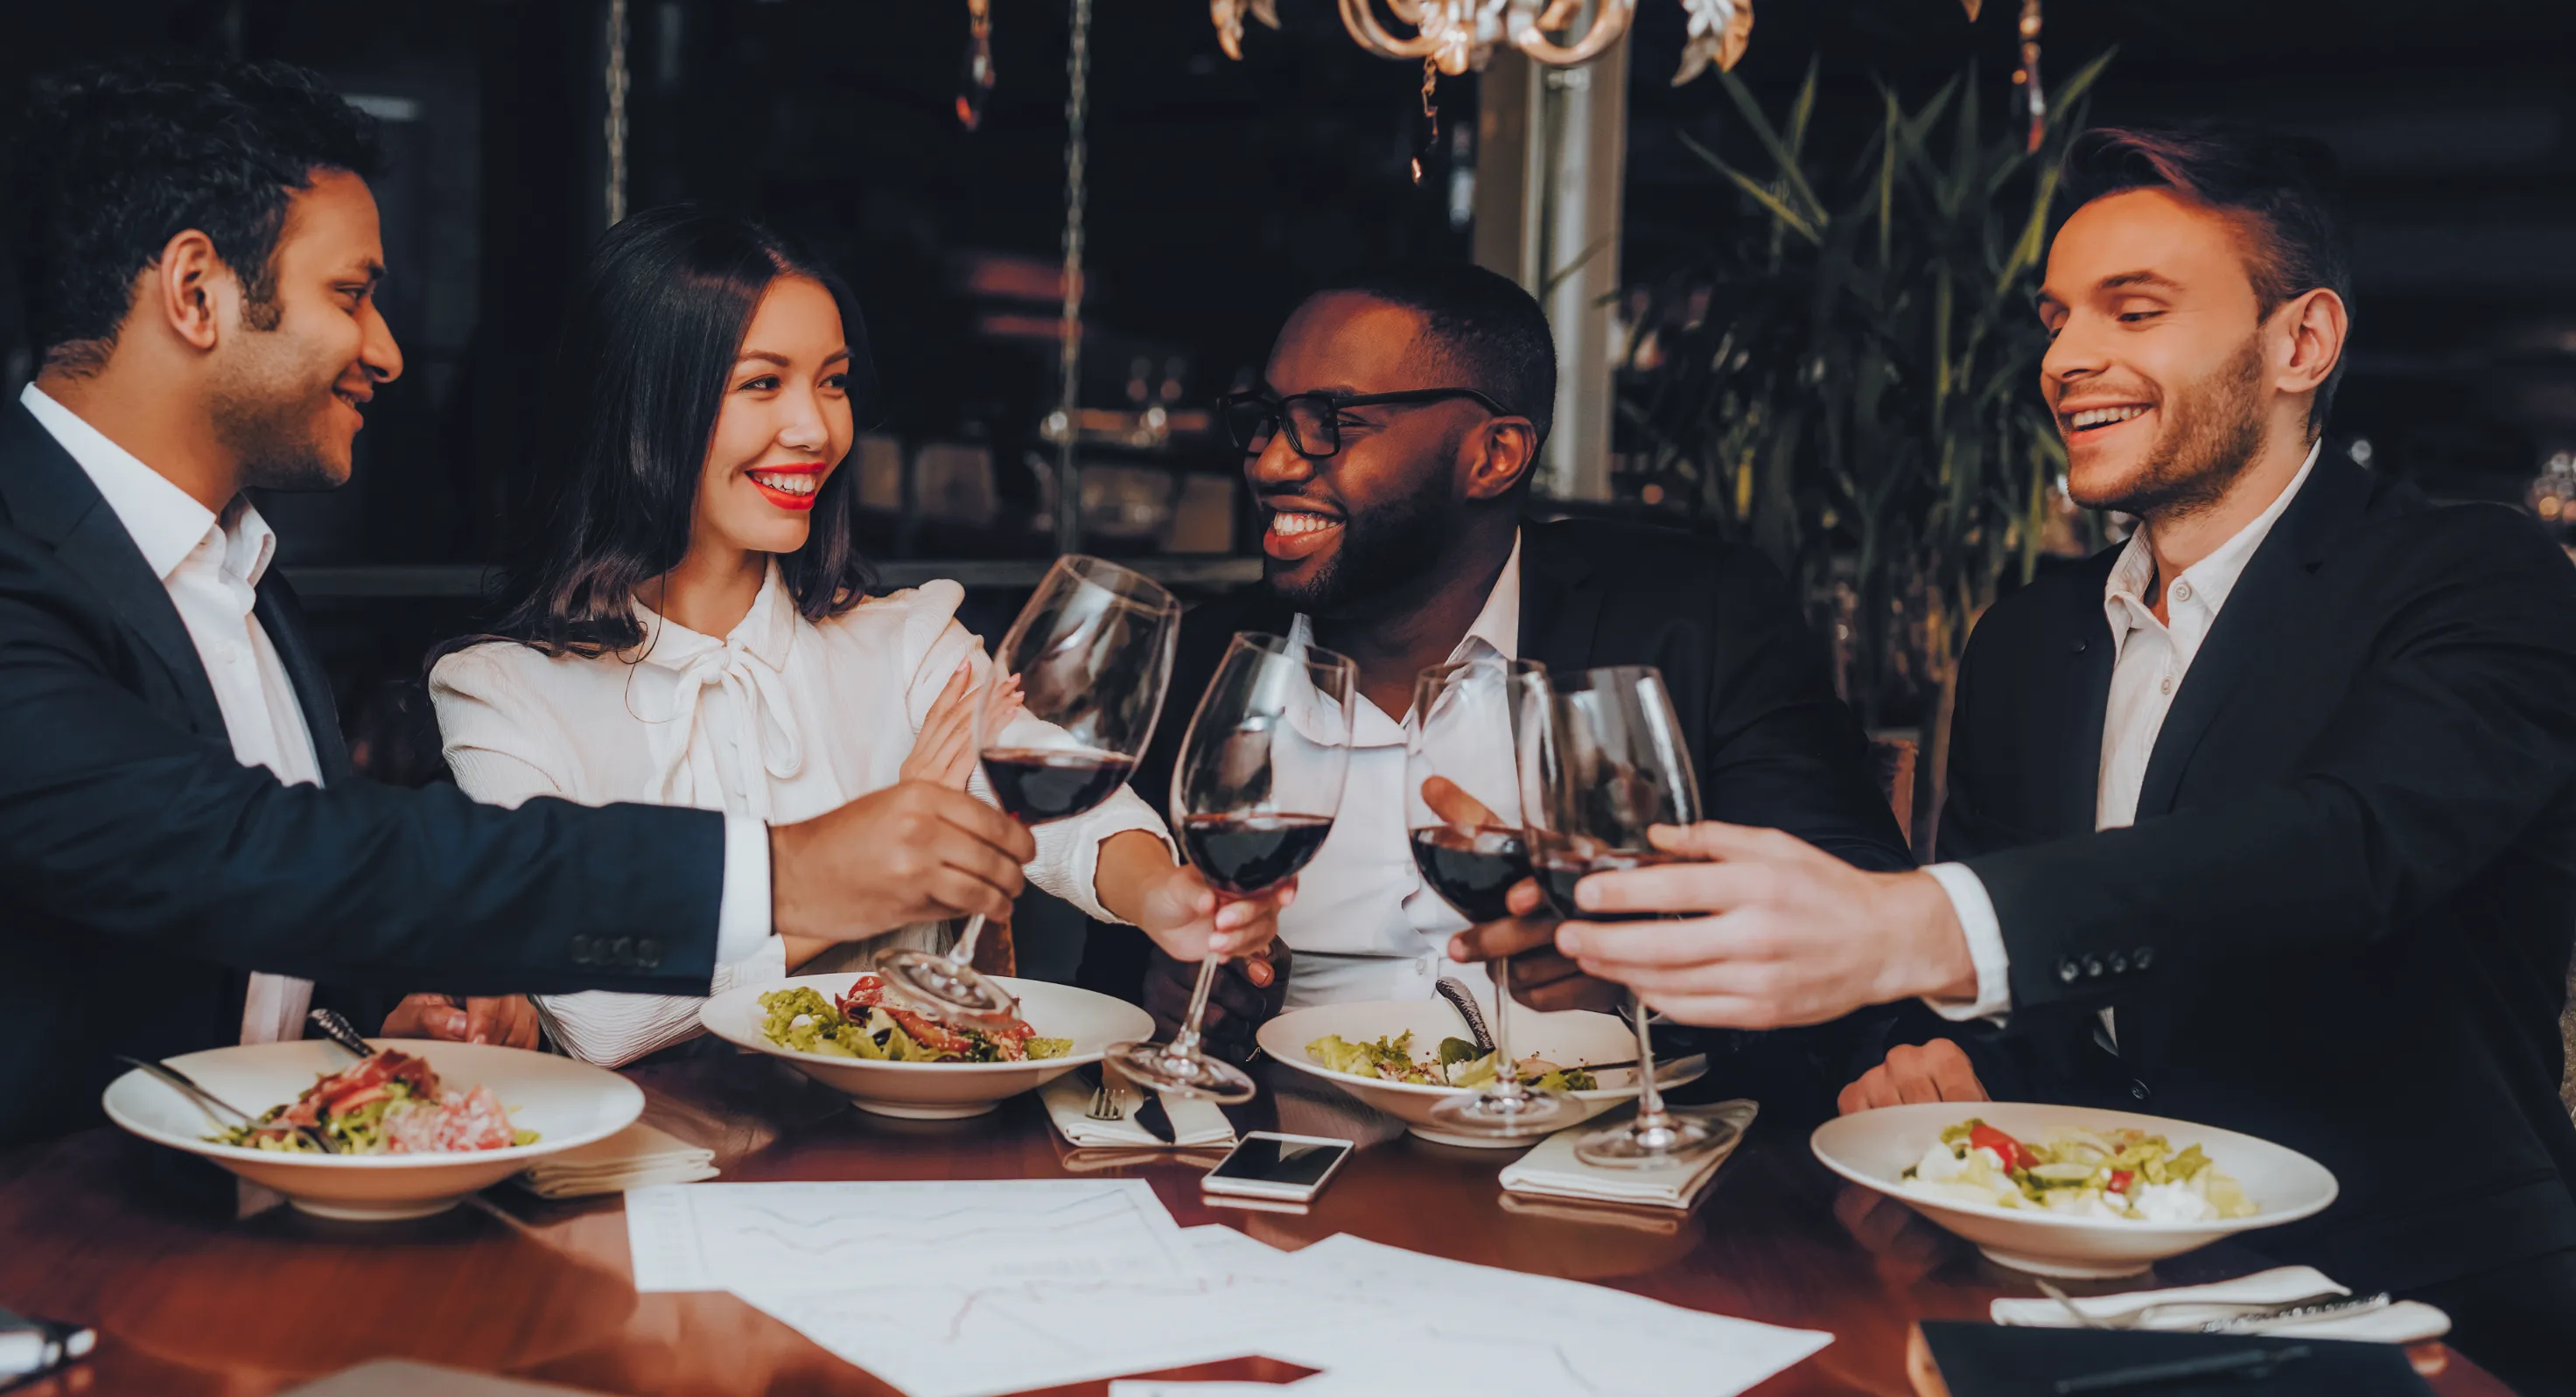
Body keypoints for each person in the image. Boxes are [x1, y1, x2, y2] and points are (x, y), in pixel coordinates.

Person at [1506, 127, 2576, 1393]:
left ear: (2302, 344)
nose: (2067, 358)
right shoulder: (2027, 636)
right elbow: (2031, 986)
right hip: (2053, 1283)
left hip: (2406, 1298)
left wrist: (1916, 926)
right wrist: (1946, 1058)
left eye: (2135, 309)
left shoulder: (2480, 577)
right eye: (2058, 316)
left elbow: (2350, 846)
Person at [1, 57, 1020, 1149]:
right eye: (351, 294)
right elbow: (253, 850)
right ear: (195, 292)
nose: (388, 351)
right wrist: (786, 876)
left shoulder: (237, 576)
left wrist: (381, 1005)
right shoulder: (24, 570)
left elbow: (256, 924)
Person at [427, 206, 1280, 1065]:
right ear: (645, 402)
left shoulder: (904, 642)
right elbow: (598, 1015)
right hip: (650, 1179)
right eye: (763, 383)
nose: (815, 428)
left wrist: (1160, 894)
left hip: (914, 1159)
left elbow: (1070, 811)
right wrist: (864, 878)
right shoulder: (503, 695)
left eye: (831, 381)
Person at [1088, 264, 1911, 1117]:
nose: (1272, 459)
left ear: (1494, 454)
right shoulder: (1202, 662)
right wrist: (1172, 990)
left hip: (1610, 1175)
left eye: (1328, 421)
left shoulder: (1697, 621)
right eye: (1264, 421)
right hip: (1274, 1167)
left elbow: (1861, 926)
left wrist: (1645, 965)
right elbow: (1103, 966)